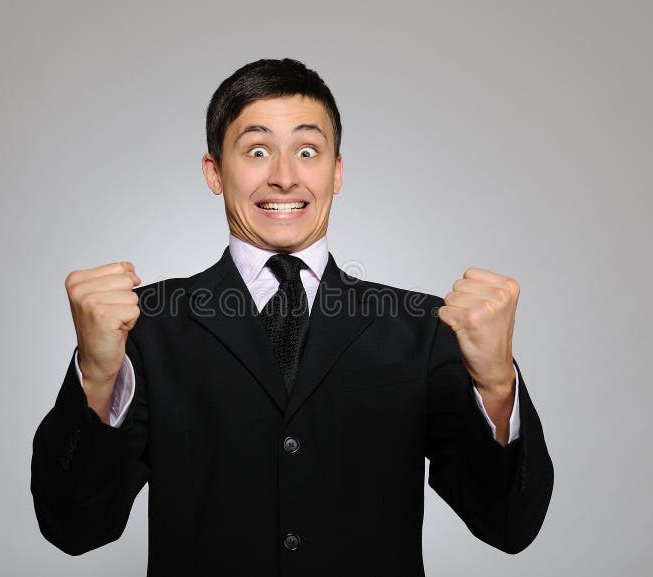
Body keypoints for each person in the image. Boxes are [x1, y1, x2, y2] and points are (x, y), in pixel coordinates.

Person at [31, 58, 553, 576]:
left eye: (307, 151)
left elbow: (508, 527)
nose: (284, 177)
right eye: (257, 151)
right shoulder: (145, 329)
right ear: (214, 172)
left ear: (337, 171)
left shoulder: (424, 330)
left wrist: (497, 384)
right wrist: (98, 378)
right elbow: (74, 529)